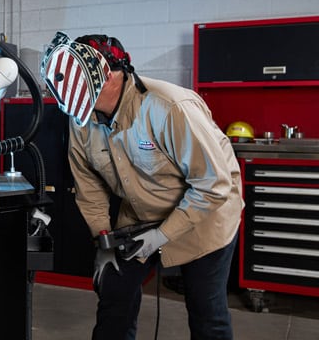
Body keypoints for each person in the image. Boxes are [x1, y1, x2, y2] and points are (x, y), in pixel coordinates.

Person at [40, 32, 244, 340]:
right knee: (114, 295)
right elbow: (89, 189)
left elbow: (213, 185)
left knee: (206, 311)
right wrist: (104, 240)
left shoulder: (169, 107)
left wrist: (162, 235)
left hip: (205, 216)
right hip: (140, 214)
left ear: (106, 74)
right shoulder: (81, 118)